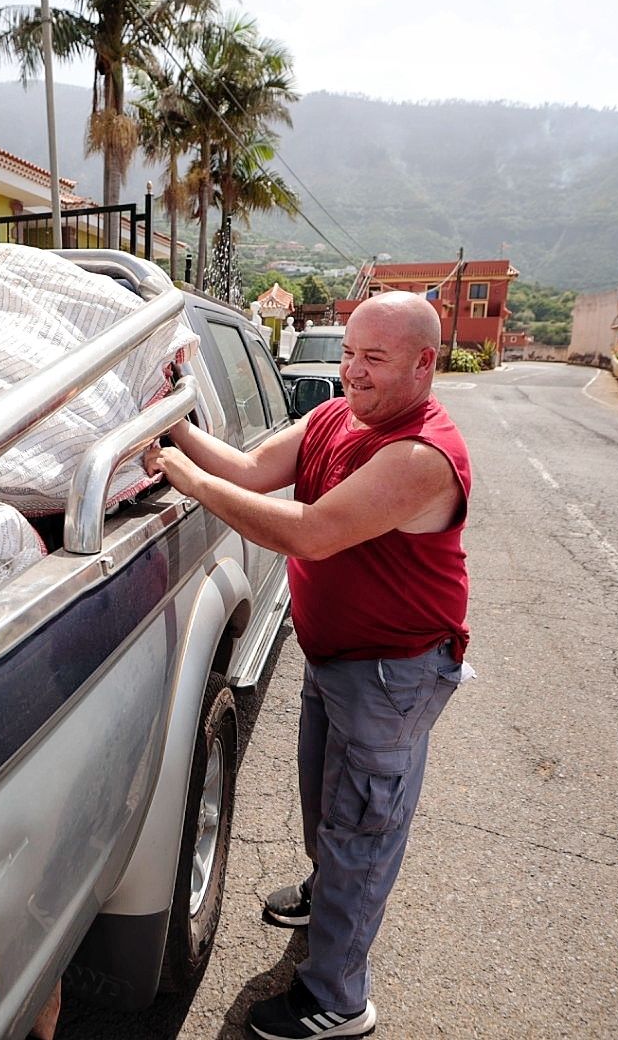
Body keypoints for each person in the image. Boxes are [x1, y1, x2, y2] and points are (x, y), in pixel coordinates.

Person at [141, 291, 473, 1040]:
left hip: (393, 675)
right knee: (328, 804)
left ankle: (337, 998)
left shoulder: (421, 456)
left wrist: (191, 482)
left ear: (426, 365)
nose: (352, 372)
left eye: (374, 360)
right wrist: (177, 430)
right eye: (349, 354)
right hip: (336, 659)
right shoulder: (334, 416)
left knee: (362, 826)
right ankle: (329, 896)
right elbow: (254, 468)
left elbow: (312, 533)